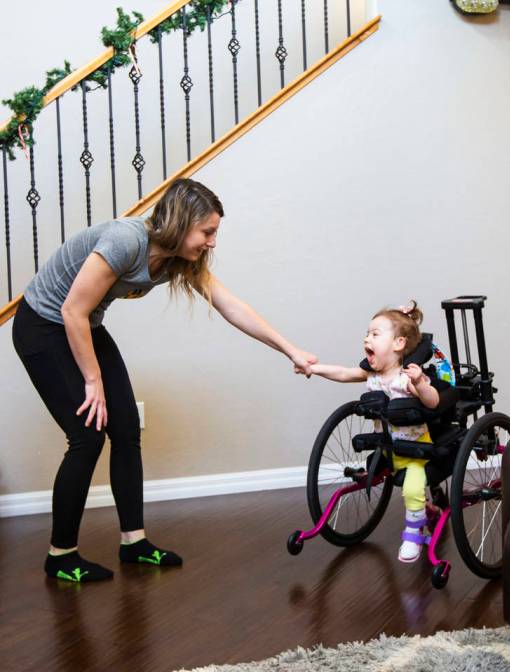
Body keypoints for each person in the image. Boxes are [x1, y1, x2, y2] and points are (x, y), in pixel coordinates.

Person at [12, 178, 317, 583]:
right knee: (87, 435)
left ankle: (133, 541)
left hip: (82, 323)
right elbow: (70, 310)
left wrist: (289, 349)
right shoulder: (125, 240)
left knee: (125, 428)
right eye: (207, 232)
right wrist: (92, 379)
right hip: (43, 326)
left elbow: (230, 306)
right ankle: (61, 554)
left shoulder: (178, 261)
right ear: (181, 221)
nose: (212, 242)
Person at [306, 302, 440, 563]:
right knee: (385, 476)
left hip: (414, 451)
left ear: (398, 343)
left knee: (412, 489)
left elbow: (433, 401)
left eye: (375, 334)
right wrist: (315, 368)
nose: (367, 338)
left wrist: (420, 383)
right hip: (386, 450)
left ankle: (413, 534)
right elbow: (344, 373)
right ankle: (428, 510)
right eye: (367, 334)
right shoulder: (372, 376)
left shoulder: (405, 378)